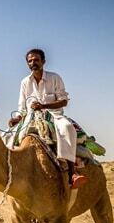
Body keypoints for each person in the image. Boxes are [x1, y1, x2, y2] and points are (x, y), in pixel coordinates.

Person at [8, 49, 87, 189]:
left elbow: (64, 101)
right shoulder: (25, 82)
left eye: (36, 60)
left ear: (43, 61)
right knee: (9, 136)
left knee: (67, 128)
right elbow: (22, 107)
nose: (33, 63)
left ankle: (72, 173)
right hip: (31, 118)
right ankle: (11, 174)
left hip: (54, 115)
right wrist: (17, 118)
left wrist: (43, 105)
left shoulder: (54, 78)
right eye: (30, 61)